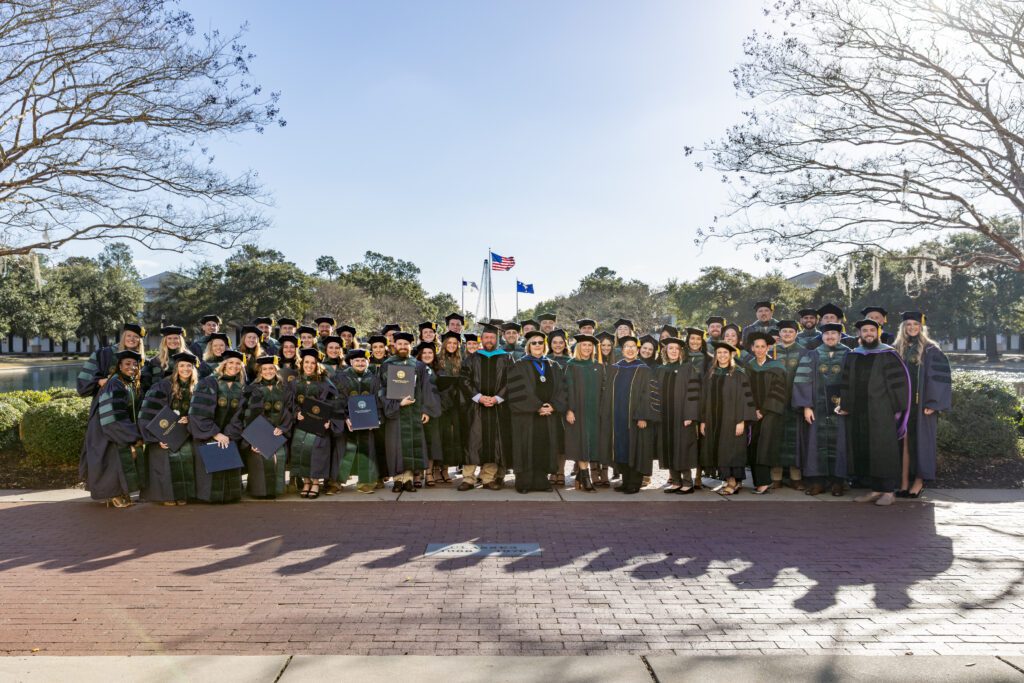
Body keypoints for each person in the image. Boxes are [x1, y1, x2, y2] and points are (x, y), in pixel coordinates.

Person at [836, 319, 911, 507]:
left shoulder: (888, 354)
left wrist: (897, 409)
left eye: (872, 330)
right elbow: (845, 382)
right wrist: (845, 404)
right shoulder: (853, 355)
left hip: (882, 410)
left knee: (883, 449)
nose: (868, 333)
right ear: (860, 333)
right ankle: (876, 489)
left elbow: (899, 384)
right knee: (866, 449)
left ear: (878, 332)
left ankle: (888, 491)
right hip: (859, 410)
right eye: (864, 330)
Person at [893, 312, 951, 498]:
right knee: (903, 442)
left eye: (915, 324)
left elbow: (940, 378)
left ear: (921, 326)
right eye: (908, 324)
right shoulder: (896, 348)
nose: (911, 327)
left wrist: (933, 403)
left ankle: (918, 481)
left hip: (922, 404)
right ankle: (902, 482)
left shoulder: (931, 349)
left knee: (922, 442)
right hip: (902, 404)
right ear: (903, 327)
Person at [81, 349, 144, 508]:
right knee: (110, 460)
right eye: (127, 364)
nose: (132, 367)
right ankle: (113, 495)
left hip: (116, 426)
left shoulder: (128, 382)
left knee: (119, 461)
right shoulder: (115, 382)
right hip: (106, 428)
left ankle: (122, 493)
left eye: (135, 364)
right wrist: (132, 435)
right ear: (119, 366)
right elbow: (114, 412)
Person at [506, 331, 567, 493]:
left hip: (548, 416)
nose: (538, 345)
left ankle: (541, 481)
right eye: (534, 343)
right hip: (526, 416)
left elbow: (562, 389)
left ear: (545, 345)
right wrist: (537, 406)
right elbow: (517, 391)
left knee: (544, 446)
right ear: (528, 346)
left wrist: (553, 406)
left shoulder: (553, 365)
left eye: (540, 342)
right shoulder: (519, 365)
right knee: (526, 447)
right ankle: (524, 483)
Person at [792, 323, 849, 496]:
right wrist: (806, 406)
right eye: (827, 334)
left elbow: (853, 382)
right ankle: (817, 482)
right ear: (822, 336)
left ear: (840, 336)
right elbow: (803, 380)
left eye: (834, 333)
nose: (830, 336)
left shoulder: (849, 354)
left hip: (841, 408)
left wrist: (848, 404)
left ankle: (838, 482)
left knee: (840, 444)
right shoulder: (813, 354)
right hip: (818, 407)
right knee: (815, 443)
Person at [380, 332, 441, 492]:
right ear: (394, 346)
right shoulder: (387, 365)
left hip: (413, 412)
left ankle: (408, 479)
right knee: (396, 446)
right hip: (396, 411)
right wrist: (397, 403)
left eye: (405, 344)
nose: (402, 347)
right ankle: (398, 480)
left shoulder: (418, 365)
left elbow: (425, 390)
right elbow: (382, 390)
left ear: (410, 346)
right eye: (399, 344)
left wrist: (426, 410)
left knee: (411, 445)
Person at [138, 350, 200, 506]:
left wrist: (190, 419)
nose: (185, 369)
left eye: (189, 366)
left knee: (188, 451)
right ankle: (167, 495)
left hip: (186, 434)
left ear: (193, 369)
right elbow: (147, 414)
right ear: (176, 368)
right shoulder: (162, 386)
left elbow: (204, 413)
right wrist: (157, 438)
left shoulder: (198, 388)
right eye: (181, 366)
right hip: (163, 435)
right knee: (166, 453)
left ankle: (184, 494)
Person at [600, 335, 660, 494]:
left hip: (636, 419)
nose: (630, 349)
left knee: (636, 449)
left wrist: (643, 416)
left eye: (633, 346)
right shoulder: (615, 368)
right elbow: (606, 394)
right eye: (627, 346)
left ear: (638, 349)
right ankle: (625, 480)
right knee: (621, 449)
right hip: (617, 418)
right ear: (622, 349)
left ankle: (635, 482)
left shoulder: (644, 369)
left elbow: (649, 394)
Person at [231, 355, 293, 499]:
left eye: (271, 368)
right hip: (258, 433)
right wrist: (254, 439)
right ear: (260, 371)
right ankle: (260, 491)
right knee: (260, 455)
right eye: (264, 369)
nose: (268, 371)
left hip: (278, 432)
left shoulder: (284, 389)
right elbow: (248, 415)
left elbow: (289, 410)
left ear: (276, 370)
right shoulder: (252, 389)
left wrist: (283, 427)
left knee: (280, 455)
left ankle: (275, 490)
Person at [188, 348, 245, 504]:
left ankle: (229, 495)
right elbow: (197, 413)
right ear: (224, 364)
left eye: (238, 363)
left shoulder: (240, 387)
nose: (234, 366)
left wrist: (228, 435)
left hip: (228, 436)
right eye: (231, 362)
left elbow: (239, 416)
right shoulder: (208, 383)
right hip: (207, 435)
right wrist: (215, 433)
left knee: (228, 450)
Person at [459, 324, 513, 490]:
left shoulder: (506, 358)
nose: (489, 340)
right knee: (473, 441)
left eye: (492, 337)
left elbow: (511, 380)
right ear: (481, 339)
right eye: (486, 337)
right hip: (476, 408)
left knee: (494, 442)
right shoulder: (472, 358)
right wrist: (479, 397)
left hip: (498, 408)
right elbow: (464, 380)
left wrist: (497, 398)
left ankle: (488, 478)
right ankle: (468, 478)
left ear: (497, 339)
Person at [700, 341, 757, 496]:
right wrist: (704, 420)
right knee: (721, 449)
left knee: (732, 449)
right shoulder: (711, 373)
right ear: (715, 355)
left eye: (725, 353)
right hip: (714, 420)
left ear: (731, 355)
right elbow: (704, 399)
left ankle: (733, 481)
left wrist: (742, 421)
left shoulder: (739, 374)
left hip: (733, 419)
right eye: (719, 353)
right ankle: (728, 479)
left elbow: (746, 399)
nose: (722, 356)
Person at [291, 347, 342, 499]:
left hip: (319, 426)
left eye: (312, 363)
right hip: (301, 425)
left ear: (317, 365)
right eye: (306, 362)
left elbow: (334, 404)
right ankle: (306, 482)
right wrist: (296, 413)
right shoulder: (295, 383)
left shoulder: (325, 383)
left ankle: (315, 482)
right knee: (300, 450)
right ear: (301, 363)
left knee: (317, 452)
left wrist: (329, 421)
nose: (309, 366)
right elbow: (290, 403)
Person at [743, 332, 789, 494]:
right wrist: (753, 409)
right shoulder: (748, 366)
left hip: (771, 412)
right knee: (754, 444)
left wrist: (762, 410)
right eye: (757, 346)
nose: (760, 349)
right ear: (752, 348)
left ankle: (764, 481)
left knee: (765, 445)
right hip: (752, 412)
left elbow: (779, 391)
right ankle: (758, 481)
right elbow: (745, 390)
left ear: (768, 348)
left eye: (763, 346)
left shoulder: (777, 367)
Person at [656, 337, 702, 494]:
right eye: (670, 348)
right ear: (665, 351)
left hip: (682, 415)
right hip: (665, 415)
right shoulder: (661, 369)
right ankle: (675, 481)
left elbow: (694, 393)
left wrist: (690, 414)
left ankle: (688, 482)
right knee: (668, 447)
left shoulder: (688, 368)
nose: (674, 351)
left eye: (676, 348)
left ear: (681, 351)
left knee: (683, 448)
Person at [335, 348, 382, 494]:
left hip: (368, 423)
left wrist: (376, 418)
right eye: (357, 361)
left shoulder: (374, 378)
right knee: (344, 451)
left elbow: (378, 400)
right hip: (348, 422)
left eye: (363, 360)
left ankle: (366, 482)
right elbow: (338, 400)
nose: (360, 363)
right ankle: (336, 482)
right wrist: (345, 418)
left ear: (368, 362)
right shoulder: (342, 377)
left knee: (367, 450)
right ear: (350, 362)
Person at [564, 334, 603, 491]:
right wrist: (569, 410)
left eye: (590, 345)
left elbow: (603, 390)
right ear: (578, 347)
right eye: (584, 345)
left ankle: (581, 477)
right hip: (577, 411)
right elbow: (566, 390)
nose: (587, 348)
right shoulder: (571, 365)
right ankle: (586, 479)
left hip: (595, 412)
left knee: (592, 444)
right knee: (581, 443)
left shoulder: (598, 366)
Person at [770, 320, 807, 490]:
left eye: (790, 332)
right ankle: (775, 477)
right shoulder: (770, 351)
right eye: (784, 331)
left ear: (796, 334)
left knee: (794, 440)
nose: (786, 334)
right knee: (776, 438)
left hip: (795, 402)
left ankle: (795, 477)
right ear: (780, 334)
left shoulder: (803, 352)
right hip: (775, 402)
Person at [77, 322, 145, 400]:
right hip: (107, 404)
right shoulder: (104, 354)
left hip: (133, 406)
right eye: (128, 335)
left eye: (136, 336)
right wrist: (99, 381)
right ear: (123, 337)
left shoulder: (143, 361)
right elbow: (83, 382)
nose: (131, 339)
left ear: (140, 341)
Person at [436, 331, 467, 482]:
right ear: (444, 344)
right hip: (440, 403)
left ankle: (446, 469)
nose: (452, 346)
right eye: (449, 343)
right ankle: (436, 469)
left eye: (455, 343)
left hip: (455, 402)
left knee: (451, 437)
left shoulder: (461, 360)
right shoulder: (437, 360)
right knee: (440, 435)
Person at [414, 340, 444, 487]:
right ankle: (417, 474)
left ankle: (430, 473)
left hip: (435, 411)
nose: (427, 355)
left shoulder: (438, 369)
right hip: (419, 410)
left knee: (432, 443)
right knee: (420, 443)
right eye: (424, 352)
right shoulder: (414, 368)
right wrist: (423, 409)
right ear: (419, 355)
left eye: (430, 352)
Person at [140, 325, 185, 395]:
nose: (172, 341)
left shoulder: (188, 358)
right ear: (165, 341)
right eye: (169, 338)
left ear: (180, 340)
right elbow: (146, 384)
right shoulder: (155, 361)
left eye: (176, 338)